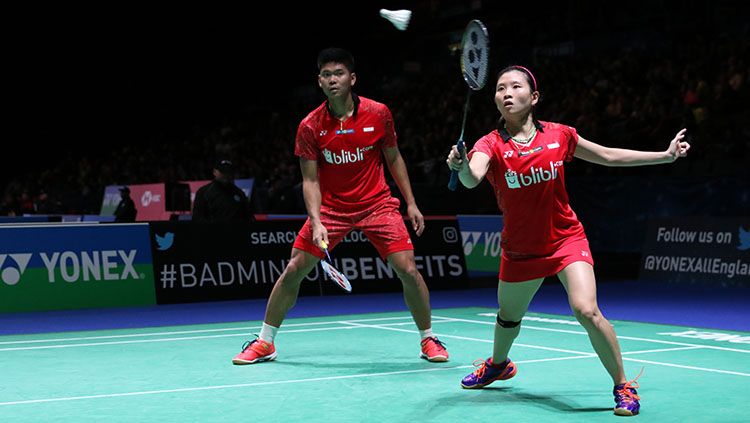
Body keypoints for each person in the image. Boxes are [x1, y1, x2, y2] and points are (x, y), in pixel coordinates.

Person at [446, 65, 690, 416]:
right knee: (508, 318)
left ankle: (623, 385)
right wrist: (461, 166)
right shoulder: (490, 143)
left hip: (565, 240)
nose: (507, 93)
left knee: (586, 310)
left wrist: (664, 156)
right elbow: (472, 179)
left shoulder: (560, 135)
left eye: (516, 87)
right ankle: (499, 365)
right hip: (520, 248)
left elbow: (606, 155)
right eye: (500, 89)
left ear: (534, 97)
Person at [232, 47, 449, 365]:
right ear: (319, 81)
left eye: (339, 74)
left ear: (352, 78)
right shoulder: (310, 126)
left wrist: (411, 203)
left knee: (407, 269)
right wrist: (316, 220)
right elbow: (310, 180)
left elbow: (393, 157)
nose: (333, 80)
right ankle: (265, 342)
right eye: (326, 75)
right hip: (332, 210)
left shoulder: (378, 113)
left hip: (377, 205)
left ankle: (428, 338)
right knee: (294, 269)